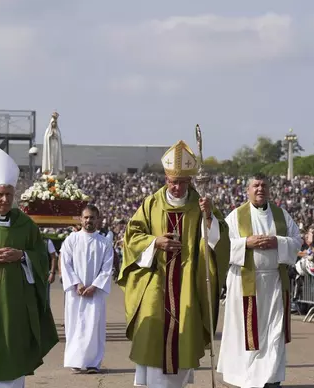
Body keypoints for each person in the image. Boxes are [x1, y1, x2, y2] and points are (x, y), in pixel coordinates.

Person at [117, 140, 230, 388]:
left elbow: (219, 241)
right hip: (155, 282)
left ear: (190, 181)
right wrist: (155, 241)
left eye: (181, 182)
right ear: (165, 178)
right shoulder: (151, 204)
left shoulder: (201, 206)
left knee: (183, 339)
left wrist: (209, 217)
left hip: (188, 284)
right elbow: (132, 236)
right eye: (171, 181)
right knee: (152, 335)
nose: (176, 187)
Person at [0, 148, 58, 388]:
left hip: (18, 305)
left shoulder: (26, 225)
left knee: (15, 358)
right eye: (0, 195)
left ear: (14, 194)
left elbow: (41, 257)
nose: (5, 199)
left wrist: (23, 255)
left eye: (8, 194)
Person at [217, 173, 302, 388]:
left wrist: (278, 241)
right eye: (255, 185)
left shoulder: (282, 216)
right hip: (245, 283)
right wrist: (246, 242)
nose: (260, 189)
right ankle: (247, 378)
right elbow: (223, 246)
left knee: (273, 332)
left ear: (270, 189)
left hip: (274, 281)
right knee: (248, 334)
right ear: (247, 190)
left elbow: (296, 242)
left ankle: (271, 378)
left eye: (264, 185)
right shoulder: (236, 217)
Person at [60, 204, 114, 373]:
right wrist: (77, 283)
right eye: (86, 217)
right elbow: (66, 263)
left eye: (92, 217)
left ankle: (93, 363)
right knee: (75, 325)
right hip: (76, 293)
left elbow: (107, 268)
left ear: (98, 220)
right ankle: (75, 361)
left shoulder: (104, 243)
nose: (89, 220)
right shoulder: (71, 239)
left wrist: (95, 286)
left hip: (95, 293)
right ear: (81, 219)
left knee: (93, 326)